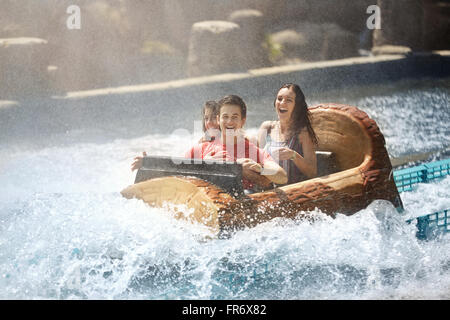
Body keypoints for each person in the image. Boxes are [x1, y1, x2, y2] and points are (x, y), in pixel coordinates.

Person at [185, 95, 288, 190]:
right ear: (218, 119)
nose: (229, 122)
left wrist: (261, 169)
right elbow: (178, 179)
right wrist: (205, 166)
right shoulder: (199, 150)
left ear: (242, 121)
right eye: (225, 117)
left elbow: (282, 177)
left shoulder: (255, 152)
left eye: (234, 117)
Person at [131, 100, 220, 172]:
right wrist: (148, 164)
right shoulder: (202, 145)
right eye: (206, 118)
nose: (209, 122)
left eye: (213, 118)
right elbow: (179, 165)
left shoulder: (230, 143)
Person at [257, 83, 318, 185]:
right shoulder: (266, 127)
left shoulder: (302, 133)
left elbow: (312, 172)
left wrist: (293, 155)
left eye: (289, 100)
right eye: (279, 99)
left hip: (292, 191)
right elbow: (256, 158)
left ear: (297, 106)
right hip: (267, 190)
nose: (282, 103)